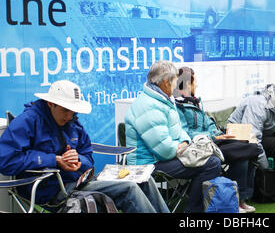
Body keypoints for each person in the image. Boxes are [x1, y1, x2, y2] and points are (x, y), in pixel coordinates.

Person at [0, 80, 169, 213]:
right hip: (50, 189)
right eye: (65, 110)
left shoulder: (73, 121)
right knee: (128, 188)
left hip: (79, 181)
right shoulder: (28, 121)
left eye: (73, 111)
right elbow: (5, 161)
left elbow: (88, 156)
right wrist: (54, 160)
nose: (69, 115)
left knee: (146, 180)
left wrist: (78, 161)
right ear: (51, 104)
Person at [125, 61, 222, 212]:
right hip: (150, 164)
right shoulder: (148, 106)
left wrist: (184, 142)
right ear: (165, 82)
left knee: (211, 159)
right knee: (212, 163)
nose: (177, 84)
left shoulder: (162, 100)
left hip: (164, 157)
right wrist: (181, 146)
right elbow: (164, 150)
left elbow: (179, 131)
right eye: (175, 80)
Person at [174, 66, 260, 213]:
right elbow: (185, 132)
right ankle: (237, 200)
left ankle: (240, 199)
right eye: (195, 82)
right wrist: (214, 136)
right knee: (247, 151)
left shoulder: (196, 102)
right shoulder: (177, 105)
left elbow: (208, 122)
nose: (197, 85)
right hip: (199, 146)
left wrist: (218, 133)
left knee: (247, 149)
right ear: (188, 83)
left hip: (212, 142)